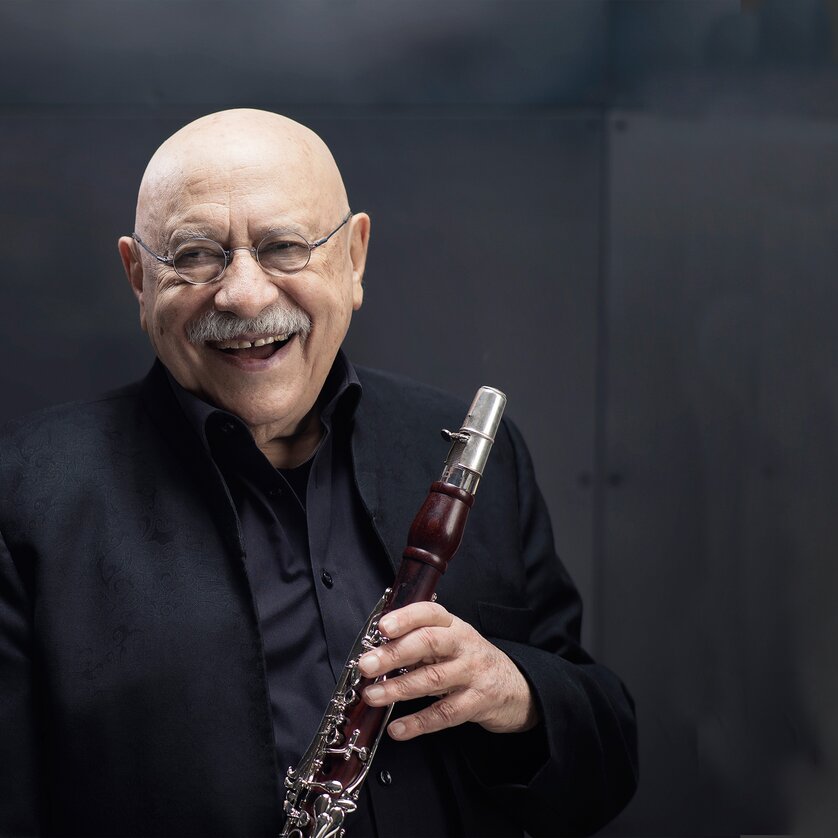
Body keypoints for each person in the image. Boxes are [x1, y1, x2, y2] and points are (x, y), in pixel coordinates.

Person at [0, 109, 637, 837]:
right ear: (139, 277)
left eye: (284, 247)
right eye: (197, 254)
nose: (244, 295)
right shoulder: (24, 499)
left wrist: (515, 694)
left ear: (354, 259)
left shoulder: (473, 457)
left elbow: (604, 768)